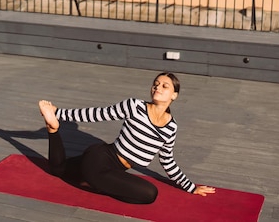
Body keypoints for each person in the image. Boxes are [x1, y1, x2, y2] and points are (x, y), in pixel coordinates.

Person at [38, 71, 216, 204]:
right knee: (149, 193)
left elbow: (167, 161)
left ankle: (52, 129)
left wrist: (191, 187)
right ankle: (92, 180)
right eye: (155, 83)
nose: (157, 87)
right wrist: (58, 112)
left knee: (57, 170)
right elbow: (98, 114)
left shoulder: (171, 127)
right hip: (99, 158)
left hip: (114, 170)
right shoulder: (134, 106)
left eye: (164, 86)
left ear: (174, 95)